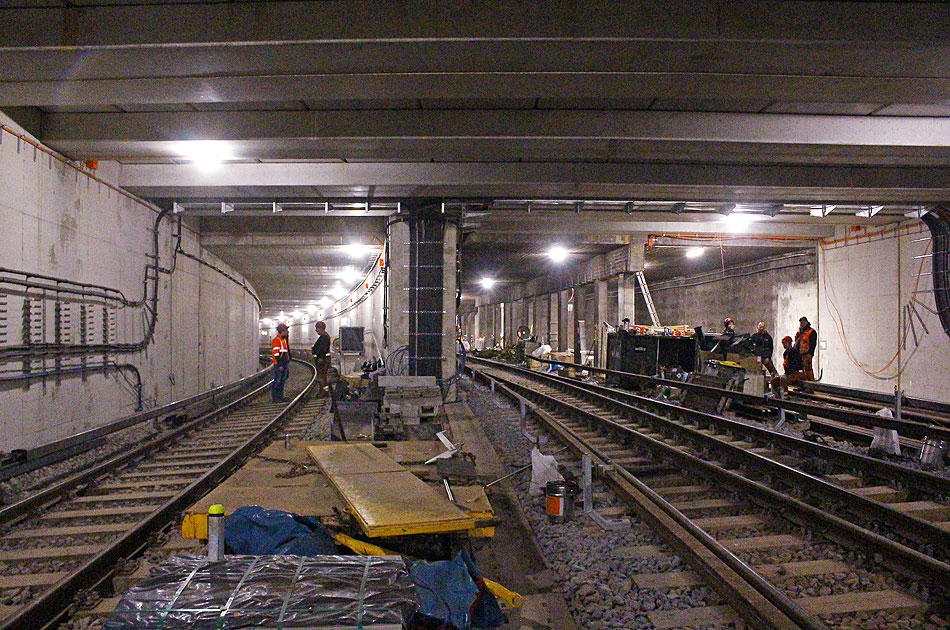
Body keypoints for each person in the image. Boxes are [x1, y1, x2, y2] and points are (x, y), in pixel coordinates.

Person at [270, 323, 291, 403]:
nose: (287, 332)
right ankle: (275, 398)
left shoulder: (283, 340)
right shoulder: (276, 340)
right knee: (277, 381)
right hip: (280, 365)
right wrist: (279, 365)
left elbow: (285, 352)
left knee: (282, 381)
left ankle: (280, 397)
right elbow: (276, 354)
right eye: (286, 330)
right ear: (282, 331)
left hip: (284, 364)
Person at [794, 316, 818, 381]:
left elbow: (813, 344)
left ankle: (810, 386)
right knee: (801, 371)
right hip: (799, 354)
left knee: (808, 370)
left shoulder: (811, 332)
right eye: (800, 323)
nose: (801, 324)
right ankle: (803, 385)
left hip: (806, 354)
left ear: (806, 322)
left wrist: (810, 353)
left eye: (802, 323)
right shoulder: (799, 332)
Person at [311, 320, 331, 397]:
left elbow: (322, 349)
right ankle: (324, 390)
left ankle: (323, 392)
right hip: (323, 359)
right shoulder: (324, 336)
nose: (316, 330)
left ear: (321, 328)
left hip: (322, 360)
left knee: (322, 376)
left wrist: (320, 357)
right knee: (323, 376)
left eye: (317, 328)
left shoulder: (324, 337)